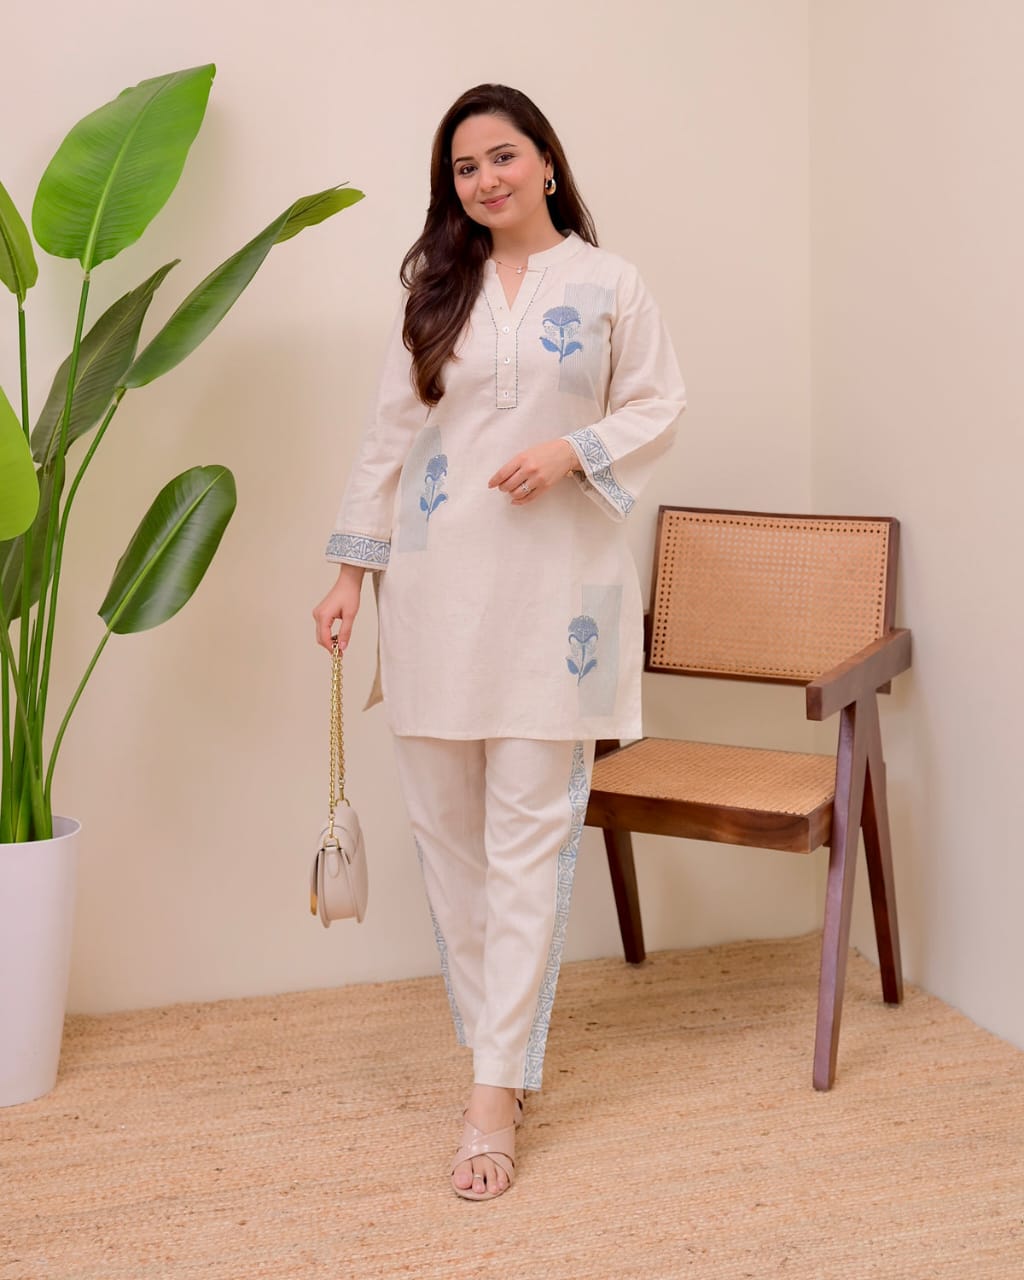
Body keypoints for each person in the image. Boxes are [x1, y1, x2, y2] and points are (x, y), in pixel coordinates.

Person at [313, 83, 686, 1201]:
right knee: (449, 845)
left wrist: (573, 450)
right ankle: (503, 1057)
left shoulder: (611, 284)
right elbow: (387, 438)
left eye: (503, 156)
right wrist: (349, 572)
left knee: (529, 842)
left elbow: (660, 404)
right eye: (465, 167)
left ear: (546, 163)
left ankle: (489, 1097)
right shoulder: (437, 291)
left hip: (558, 604)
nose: (485, 179)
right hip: (433, 594)